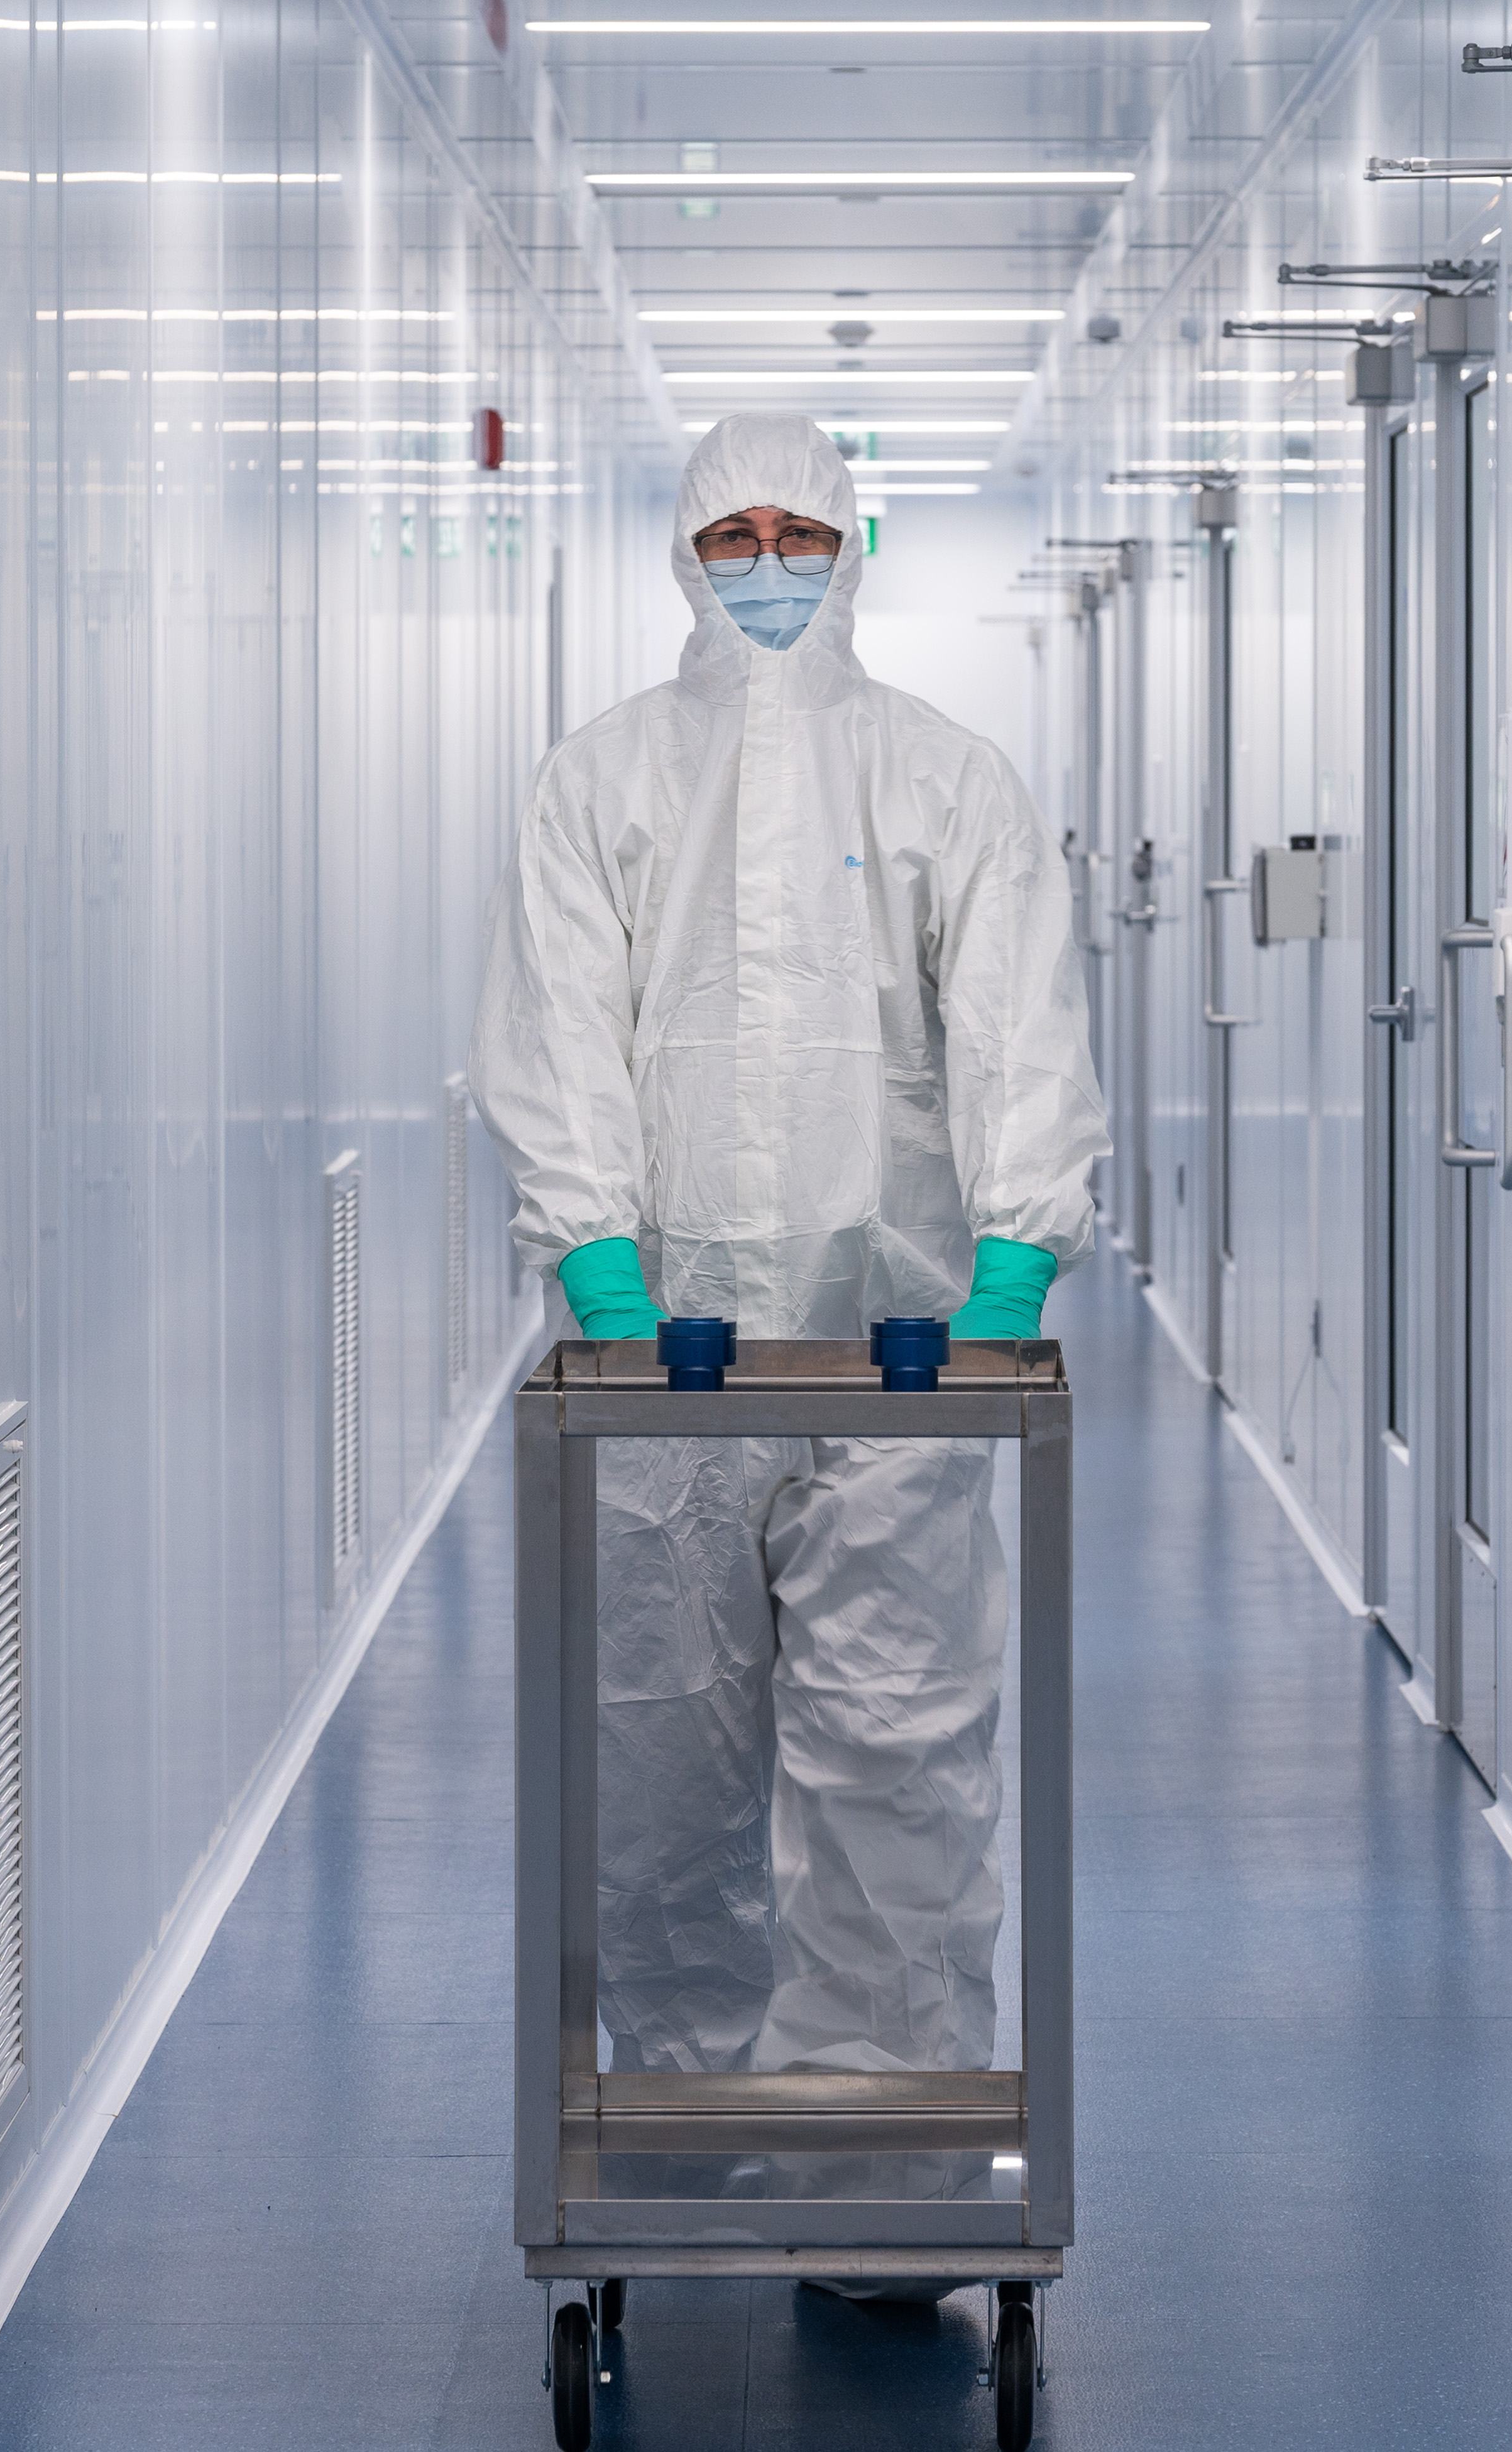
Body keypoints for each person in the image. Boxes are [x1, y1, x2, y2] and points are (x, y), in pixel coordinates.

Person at [470, 413, 1107, 2096]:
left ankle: (880, 2128)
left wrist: (1012, 1265)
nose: (765, 568)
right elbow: (555, 1032)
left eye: (798, 536)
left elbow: (1018, 1026)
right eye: (732, 537)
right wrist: (596, 1257)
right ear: (682, 559)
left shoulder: (940, 776)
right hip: (657, 1351)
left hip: (898, 1341)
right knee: (660, 1741)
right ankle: (678, 2106)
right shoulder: (598, 780)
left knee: (896, 1748)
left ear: (852, 550)